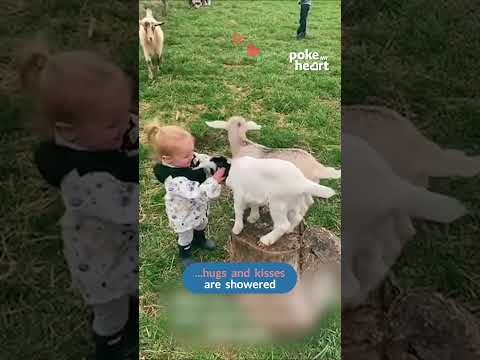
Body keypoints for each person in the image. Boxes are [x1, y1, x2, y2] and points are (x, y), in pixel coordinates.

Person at [17, 40, 139, 359]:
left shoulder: (103, 132)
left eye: (126, 111)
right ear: (69, 133)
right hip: (103, 262)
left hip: (124, 248)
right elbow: (131, 208)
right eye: (113, 122)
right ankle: (110, 345)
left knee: (133, 290)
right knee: (113, 312)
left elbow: (131, 133)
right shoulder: (84, 181)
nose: (126, 123)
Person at [145, 123, 225, 268]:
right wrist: (213, 180)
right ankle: (185, 253)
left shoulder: (184, 159)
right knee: (186, 235)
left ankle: (200, 240)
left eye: (192, 151)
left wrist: (211, 161)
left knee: (202, 223)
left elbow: (198, 157)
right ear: (167, 159)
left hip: (196, 208)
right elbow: (195, 192)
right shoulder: (174, 180)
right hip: (183, 213)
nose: (192, 156)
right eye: (186, 155)